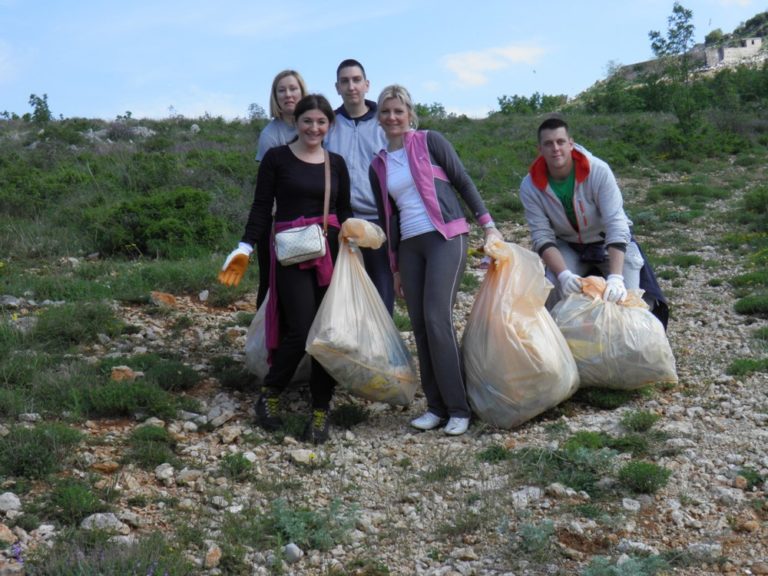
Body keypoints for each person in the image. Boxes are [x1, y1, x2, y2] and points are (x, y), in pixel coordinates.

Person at [369, 84, 503, 436]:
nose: (393, 117)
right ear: (378, 118)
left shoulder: (430, 141)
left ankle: (460, 408)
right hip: (410, 247)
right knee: (420, 325)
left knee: (437, 318)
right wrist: (394, 266)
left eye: (399, 110)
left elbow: (462, 181)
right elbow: (388, 219)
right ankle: (436, 407)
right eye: (386, 112)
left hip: (447, 236)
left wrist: (489, 227)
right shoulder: (379, 164)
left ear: (410, 113)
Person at [219, 94, 352, 444]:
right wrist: (245, 245)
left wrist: (362, 238)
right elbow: (262, 206)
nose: (314, 127)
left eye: (321, 122)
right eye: (307, 120)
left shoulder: (336, 163)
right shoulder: (277, 159)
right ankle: (271, 393)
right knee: (303, 326)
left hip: (331, 252)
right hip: (291, 252)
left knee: (327, 331)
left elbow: (345, 210)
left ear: (329, 125)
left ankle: (321, 409)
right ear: (296, 122)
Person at [519, 115, 668, 327]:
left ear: (570, 143)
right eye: (548, 144)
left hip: (607, 241)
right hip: (568, 244)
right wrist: (563, 275)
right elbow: (541, 235)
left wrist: (616, 278)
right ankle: (561, 350)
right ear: (539, 149)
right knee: (552, 291)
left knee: (631, 300)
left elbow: (616, 223)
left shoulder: (598, 171)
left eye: (560, 142)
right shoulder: (530, 186)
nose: (555, 148)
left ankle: (636, 347)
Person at [324, 59, 393, 313]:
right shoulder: (328, 124)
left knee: (381, 285)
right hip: (340, 219)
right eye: (345, 81)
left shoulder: (384, 122)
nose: (351, 86)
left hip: (378, 218)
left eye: (356, 80)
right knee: (343, 289)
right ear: (337, 87)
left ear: (367, 84)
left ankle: (383, 348)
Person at [252, 70, 309, 308]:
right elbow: (267, 187)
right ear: (275, 96)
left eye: (293, 88)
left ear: (302, 91)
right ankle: (266, 338)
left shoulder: (313, 124)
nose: (288, 95)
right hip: (279, 220)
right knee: (271, 280)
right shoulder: (270, 135)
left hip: (312, 216)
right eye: (282, 90)